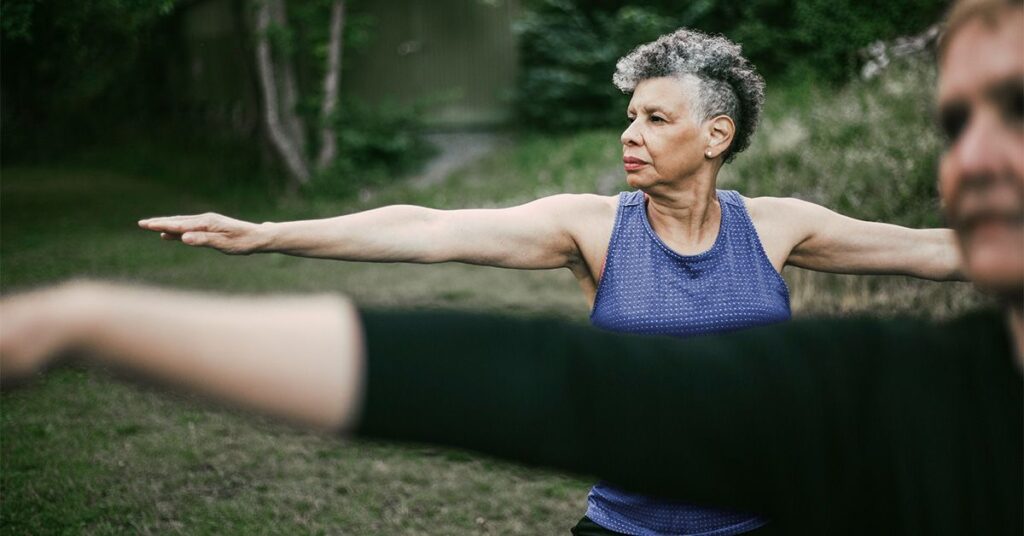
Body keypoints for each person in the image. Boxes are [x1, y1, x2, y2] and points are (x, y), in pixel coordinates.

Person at [1, 0, 1021, 534]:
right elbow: (428, 227)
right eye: (627, 113)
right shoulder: (588, 227)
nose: (629, 133)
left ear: (716, 135)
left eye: (654, 117)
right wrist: (270, 234)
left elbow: (945, 252)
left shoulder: (779, 226)